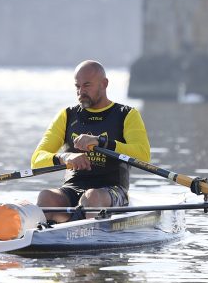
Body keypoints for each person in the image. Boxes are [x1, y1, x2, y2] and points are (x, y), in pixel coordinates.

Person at [30, 60, 151, 222]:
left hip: (112, 190)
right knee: (46, 197)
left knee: (92, 196)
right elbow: (36, 160)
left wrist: (101, 142)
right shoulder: (66, 116)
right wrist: (64, 157)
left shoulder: (127, 114)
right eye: (77, 86)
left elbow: (143, 156)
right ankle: (47, 232)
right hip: (72, 188)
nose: (81, 92)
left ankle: (79, 226)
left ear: (104, 83)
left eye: (87, 85)